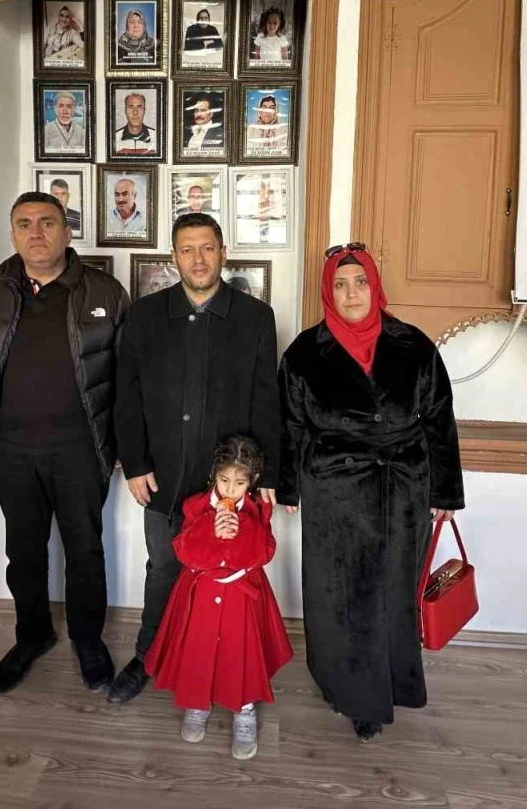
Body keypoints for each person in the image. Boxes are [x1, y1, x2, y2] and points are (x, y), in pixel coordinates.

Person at [278, 244, 464, 742]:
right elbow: (290, 424)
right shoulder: (303, 354)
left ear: (374, 286)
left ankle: (393, 683)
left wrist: (445, 492)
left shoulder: (414, 345)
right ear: (328, 291)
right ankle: (351, 692)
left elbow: (439, 420)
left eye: (360, 282)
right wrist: (289, 486)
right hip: (333, 493)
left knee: (393, 593)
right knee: (340, 596)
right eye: (340, 284)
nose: (351, 293)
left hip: (403, 489)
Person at [109, 213, 281, 706]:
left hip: (228, 483)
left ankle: (222, 666)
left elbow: (266, 400)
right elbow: (127, 396)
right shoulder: (145, 315)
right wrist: (136, 463)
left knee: (227, 575)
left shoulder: (255, 317)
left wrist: (267, 475)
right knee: (164, 568)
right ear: (173, 258)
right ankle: (147, 657)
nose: (198, 259)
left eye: (207, 248)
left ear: (223, 253)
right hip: (162, 475)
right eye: (187, 249)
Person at [0, 192, 129, 697]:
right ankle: (31, 635)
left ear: (68, 231)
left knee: (85, 550)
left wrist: (122, 446)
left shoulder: (104, 290)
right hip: (12, 451)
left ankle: (87, 639)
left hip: (81, 449)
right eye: (24, 224)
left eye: (47, 222)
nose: (36, 233)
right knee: (24, 552)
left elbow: (127, 374)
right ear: (12, 234)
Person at [144, 434, 292, 760]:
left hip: (242, 596)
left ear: (251, 481)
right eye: (224, 481)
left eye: (239, 483)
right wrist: (210, 530)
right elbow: (183, 551)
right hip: (201, 592)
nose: (230, 490)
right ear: (214, 476)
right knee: (198, 646)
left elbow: (265, 552)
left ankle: (244, 708)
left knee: (241, 649)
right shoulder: (195, 506)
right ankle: (197, 702)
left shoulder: (258, 509)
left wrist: (243, 530)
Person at [113, 91, 157, 156]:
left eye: (139, 107)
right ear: (125, 110)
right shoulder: (114, 138)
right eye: (131, 107)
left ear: (144, 110)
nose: (135, 112)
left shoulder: (157, 138)